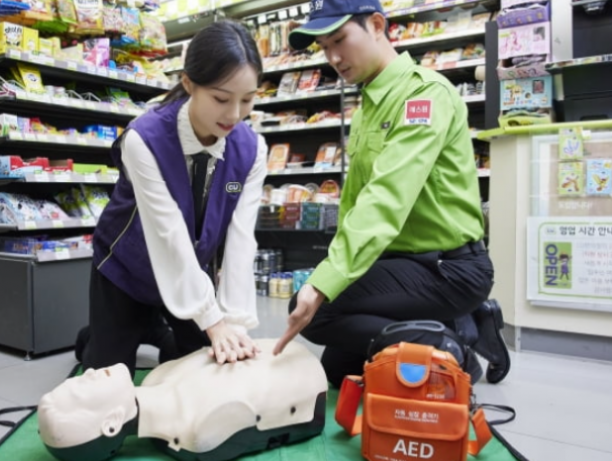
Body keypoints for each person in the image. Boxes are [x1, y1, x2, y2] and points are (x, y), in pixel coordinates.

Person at [273, 0, 510, 387]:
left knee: (318, 313)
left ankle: (453, 347)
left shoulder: (424, 95)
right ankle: (461, 322)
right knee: (340, 371)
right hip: (402, 264)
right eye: (323, 47)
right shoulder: (367, 103)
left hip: (448, 268)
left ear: (377, 25)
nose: (333, 56)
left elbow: (386, 197)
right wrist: (337, 266)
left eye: (340, 39)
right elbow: (357, 200)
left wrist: (322, 282)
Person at [76, 20, 268, 378]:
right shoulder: (143, 139)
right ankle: (107, 334)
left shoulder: (252, 149)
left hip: (191, 272)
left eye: (248, 99)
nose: (234, 115)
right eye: (221, 99)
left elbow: (241, 240)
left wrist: (234, 322)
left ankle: (153, 329)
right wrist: (212, 322)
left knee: (202, 366)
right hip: (126, 268)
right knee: (107, 376)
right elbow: (168, 234)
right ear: (188, 84)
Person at [39, 339, 328, 461]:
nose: (88, 371)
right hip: (307, 377)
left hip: (289, 353)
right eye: (80, 389)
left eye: (76, 379)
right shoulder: (199, 429)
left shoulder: (158, 378)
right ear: (112, 423)